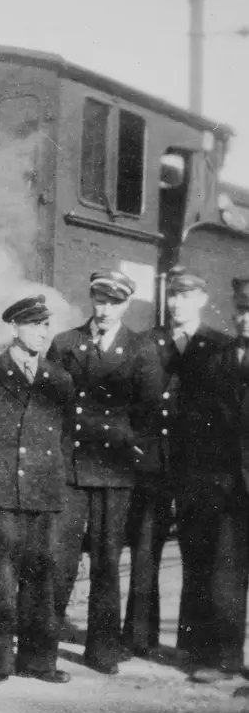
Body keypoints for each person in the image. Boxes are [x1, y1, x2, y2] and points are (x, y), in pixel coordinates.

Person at [48, 269, 163, 676]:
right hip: (71, 467)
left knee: (106, 560)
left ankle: (102, 650)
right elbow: (51, 403)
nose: (105, 308)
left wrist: (126, 444)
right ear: (91, 299)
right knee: (58, 559)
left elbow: (149, 412)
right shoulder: (65, 343)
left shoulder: (141, 349)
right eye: (100, 299)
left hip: (114, 470)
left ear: (125, 304)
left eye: (114, 301)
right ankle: (43, 649)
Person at [0, 295, 74, 687]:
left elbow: (67, 437)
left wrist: (52, 475)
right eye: (33, 325)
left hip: (43, 492)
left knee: (42, 580)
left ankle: (39, 662)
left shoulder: (58, 379)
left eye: (46, 325)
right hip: (0, 493)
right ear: (14, 329)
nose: (42, 332)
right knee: (1, 583)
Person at [122, 266, 229, 660]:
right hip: (152, 462)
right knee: (145, 549)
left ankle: (196, 643)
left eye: (187, 296)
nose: (178, 302)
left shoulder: (219, 346)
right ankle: (138, 639)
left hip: (197, 466)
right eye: (173, 296)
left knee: (199, 552)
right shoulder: (147, 341)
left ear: (202, 299)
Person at [181, 277, 249, 683]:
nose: (246, 319)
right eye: (242, 310)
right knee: (225, 572)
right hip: (227, 485)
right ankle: (226, 658)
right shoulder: (217, 359)